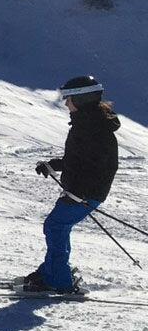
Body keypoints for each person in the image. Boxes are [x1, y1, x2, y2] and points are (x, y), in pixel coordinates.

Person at [25, 76, 120, 292]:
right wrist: (53, 165)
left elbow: (103, 165)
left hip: (84, 193)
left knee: (55, 226)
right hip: (82, 191)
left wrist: (81, 193)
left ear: (82, 99)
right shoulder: (88, 122)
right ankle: (54, 270)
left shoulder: (92, 127)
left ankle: (57, 279)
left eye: (68, 99)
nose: (66, 103)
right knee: (59, 226)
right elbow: (78, 159)